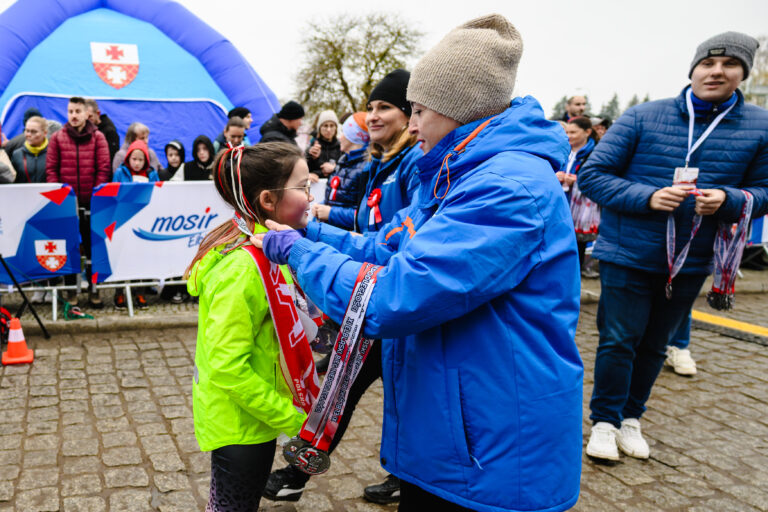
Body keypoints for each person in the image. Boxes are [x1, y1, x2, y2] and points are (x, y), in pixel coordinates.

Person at [256, 14, 583, 512]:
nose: (411, 124)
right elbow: (388, 247)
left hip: (490, 451)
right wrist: (311, 229)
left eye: (420, 110)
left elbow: (393, 297)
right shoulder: (454, 173)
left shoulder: (504, 189)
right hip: (452, 432)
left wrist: (300, 253)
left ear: (460, 109)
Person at [579, 32, 768, 463]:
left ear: (743, 74)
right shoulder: (644, 116)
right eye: (708, 62)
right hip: (629, 251)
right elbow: (593, 175)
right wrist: (646, 197)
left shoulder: (760, 125)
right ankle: (604, 422)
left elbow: (765, 189)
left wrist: (732, 200)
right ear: (693, 68)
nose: (716, 71)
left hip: (695, 257)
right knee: (619, 339)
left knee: (656, 342)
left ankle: (631, 418)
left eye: (729, 64)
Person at [263, 69, 422, 506]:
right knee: (343, 383)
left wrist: (312, 235)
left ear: (410, 114)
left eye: (384, 107)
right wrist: (314, 228)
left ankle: (400, 477)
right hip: (370, 292)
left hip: (388, 299)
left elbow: (392, 243)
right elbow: (372, 230)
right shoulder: (383, 161)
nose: (372, 116)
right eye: (370, 107)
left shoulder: (411, 166)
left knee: (350, 386)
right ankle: (304, 474)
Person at [185, 142, 310, 511]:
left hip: (254, 417)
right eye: (302, 187)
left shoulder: (268, 247)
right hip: (240, 424)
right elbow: (227, 365)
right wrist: (291, 418)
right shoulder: (242, 269)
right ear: (269, 200)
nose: (309, 196)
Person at [45, 96, 111, 307]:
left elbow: (103, 168)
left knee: (93, 248)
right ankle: (71, 291)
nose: (74, 115)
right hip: (67, 205)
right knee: (69, 247)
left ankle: (94, 290)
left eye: (77, 111)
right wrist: (61, 196)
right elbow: (51, 169)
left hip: (92, 204)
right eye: (70, 111)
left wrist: (95, 196)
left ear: (86, 114)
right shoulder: (57, 138)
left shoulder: (98, 138)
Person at [557, 116, 601, 275]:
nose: (568, 135)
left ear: (587, 132)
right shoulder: (562, 149)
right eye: (567, 132)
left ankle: (575, 273)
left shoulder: (596, 153)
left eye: (573, 132)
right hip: (562, 200)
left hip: (582, 206)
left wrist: (577, 180)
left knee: (577, 242)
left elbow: (601, 177)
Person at [311, 112, 370, 230]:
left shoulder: (366, 168)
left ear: (354, 137)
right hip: (331, 230)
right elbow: (336, 199)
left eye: (344, 133)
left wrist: (330, 213)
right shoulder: (343, 161)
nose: (340, 137)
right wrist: (321, 207)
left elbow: (364, 216)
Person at [10, 116, 49, 183]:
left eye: (34, 131)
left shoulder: (52, 153)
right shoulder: (17, 154)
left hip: (47, 193)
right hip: (23, 193)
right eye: (27, 130)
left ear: (45, 133)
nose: (29, 134)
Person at [305, 110, 341, 179]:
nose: (328, 130)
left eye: (332, 126)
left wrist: (334, 168)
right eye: (325, 126)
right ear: (320, 128)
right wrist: (312, 157)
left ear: (336, 128)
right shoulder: (313, 146)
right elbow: (305, 170)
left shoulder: (341, 147)